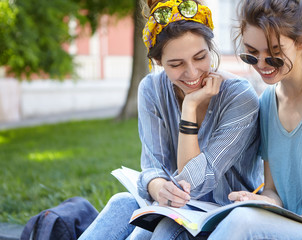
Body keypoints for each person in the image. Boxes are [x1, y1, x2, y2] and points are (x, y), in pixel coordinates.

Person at [79, 0, 263, 239]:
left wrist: (189, 106)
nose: (193, 73)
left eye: (200, 57)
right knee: (121, 203)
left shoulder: (240, 96)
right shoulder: (151, 89)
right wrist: (155, 186)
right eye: (176, 64)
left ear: (211, 47)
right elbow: (153, 165)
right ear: (158, 63)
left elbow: (195, 183)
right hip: (177, 209)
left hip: (225, 217)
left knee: (166, 229)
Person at [207, 0, 302, 239]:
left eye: (274, 55)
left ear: (301, 43)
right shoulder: (268, 101)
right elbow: (274, 191)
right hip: (297, 226)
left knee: (243, 223)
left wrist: (271, 228)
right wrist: (260, 202)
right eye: (252, 53)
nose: (261, 64)